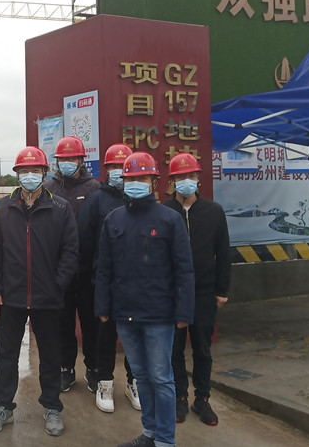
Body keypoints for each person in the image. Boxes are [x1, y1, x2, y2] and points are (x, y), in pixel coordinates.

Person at [96, 152, 194, 447]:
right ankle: (149, 433)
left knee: (162, 378)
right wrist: (102, 307)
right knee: (141, 376)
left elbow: (184, 269)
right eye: (131, 178)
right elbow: (104, 268)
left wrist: (184, 312)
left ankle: (165, 440)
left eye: (142, 178)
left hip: (159, 316)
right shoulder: (114, 220)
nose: (136, 183)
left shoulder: (169, 219)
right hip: (125, 315)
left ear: (154, 181)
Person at [0, 146, 79, 437]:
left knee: (50, 354)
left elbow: (70, 251)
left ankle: (52, 407)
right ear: (17, 175)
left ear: (45, 173)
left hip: (47, 297)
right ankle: (3, 406)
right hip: (11, 295)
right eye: (24, 171)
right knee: (6, 354)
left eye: (35, 171)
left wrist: (57, 284)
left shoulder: (60, 208)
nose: (29, 176)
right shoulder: (4, 208)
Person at [162, 153, 231, 427]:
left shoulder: (214, 211)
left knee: (202, 348)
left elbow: (223, 252)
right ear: (172, 180)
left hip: (204, 291)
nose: (186, 180)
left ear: (198, 178)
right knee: (174, 349)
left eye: (191, 175)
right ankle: (179, 396)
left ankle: (202, 398)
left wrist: (222, 290)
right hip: (172, 293)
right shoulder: (164, 212)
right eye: (180, 176)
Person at [76, 142, 136, 413]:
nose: (118, 171)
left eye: (123, 167)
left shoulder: (140, 200)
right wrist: (91, 278)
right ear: (106, 169)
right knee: (105, 336)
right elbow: (85, 242)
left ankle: (134, 383)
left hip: (137, 283)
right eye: (113, 166)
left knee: (135, 337)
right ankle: (104, 383)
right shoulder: (96, 200)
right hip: (104, 281)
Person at [43, 135, 102, 394]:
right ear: (57, 161)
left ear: (81, 160)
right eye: (63, 159)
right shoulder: (48, 188)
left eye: (72, 159)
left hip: (87, 271)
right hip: (59, 272)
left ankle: (93, 368)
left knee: (91, 324)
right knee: (62, 324)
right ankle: (65, 368)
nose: (67, 163)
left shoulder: (94, 189)